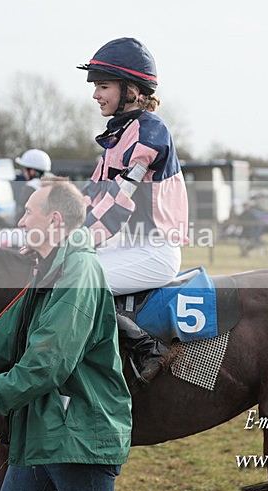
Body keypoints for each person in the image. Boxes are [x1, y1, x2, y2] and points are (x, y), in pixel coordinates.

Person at [0, 178, 131, 491]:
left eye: (28, 212)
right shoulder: (51, 267)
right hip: (43, 432)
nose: (21, 221)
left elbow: (47, 363)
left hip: (77, 437)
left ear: (54, 220)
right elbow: (11, 328)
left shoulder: (79, 271)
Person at [77, 37, 189, 383]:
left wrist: (76, 239)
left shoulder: (148, 134)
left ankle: (146, 348)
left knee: (74, 282)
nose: (96, 94)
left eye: (104, 86)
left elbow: (117, 205)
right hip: (127, 245)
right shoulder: (119, 135)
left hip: (153, 250)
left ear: (133, 90)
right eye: (96, 86)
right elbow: (91, 196)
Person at [14, 148, 52, 222]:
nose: (24, 173)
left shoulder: (31, 187)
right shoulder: (51, 185)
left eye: (25, 169)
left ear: (32, 171)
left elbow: (22, 214)